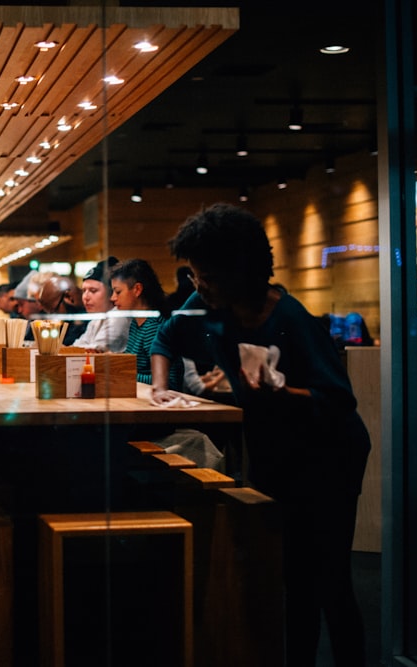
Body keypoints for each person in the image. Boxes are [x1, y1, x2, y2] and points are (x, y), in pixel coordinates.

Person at [148, 203, 370, 666]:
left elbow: (337, 401)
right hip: (275, 452)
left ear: (237, 270)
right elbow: (165, 339)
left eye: (205, 275)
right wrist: (161, 389)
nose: (197, 285)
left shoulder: (291, 318)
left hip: (329, 456)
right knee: (290, 576)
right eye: (193, 275)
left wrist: (280, 392)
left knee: (329, 578)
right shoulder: (210, 308)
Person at [110, 258, 182, 389]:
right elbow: (135, 365)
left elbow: (169, 381)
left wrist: (119, 374)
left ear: (137, 289)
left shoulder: (153, 326)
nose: (113, 298)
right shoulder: (136, 323)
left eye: (118, 292)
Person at [71, 257, 130, 352]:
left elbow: (94, 353)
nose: (85, 297)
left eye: (93, 291)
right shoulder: (97, 319)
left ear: (110, 293)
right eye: (84, 291)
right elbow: (76, 348)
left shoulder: (118, 317)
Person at [37, 274, 87, 345]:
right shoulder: (71, 320)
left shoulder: (92, 316)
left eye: (55, 311)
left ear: (68, 297)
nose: (54, 318)